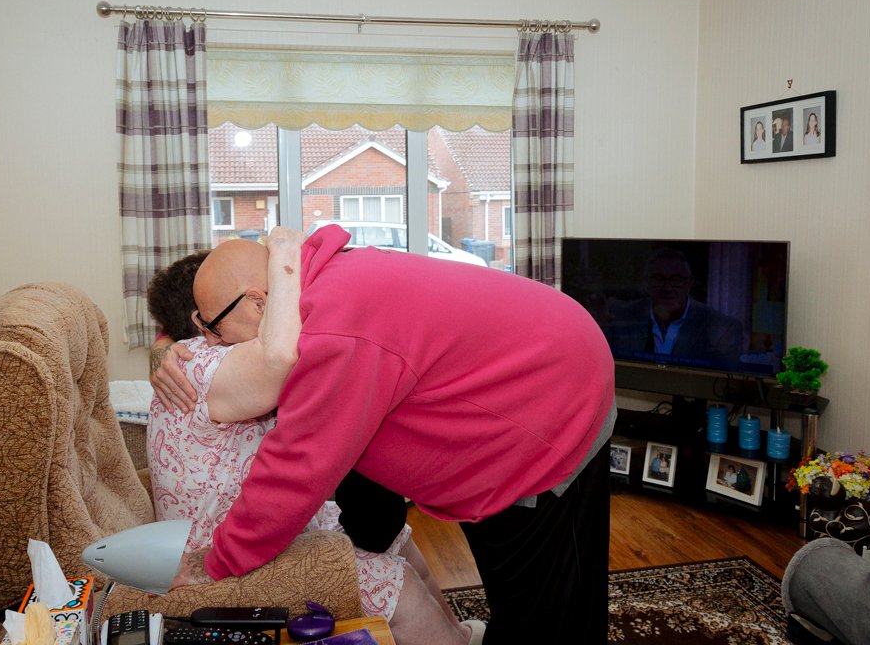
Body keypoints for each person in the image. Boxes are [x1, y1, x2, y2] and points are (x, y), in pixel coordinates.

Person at [153, 224, 617, 644]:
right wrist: (168, 351)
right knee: (512, 584)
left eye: (212, 328)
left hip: (550, 413)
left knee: (550, 612)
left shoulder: (335, 330)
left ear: (257, 301)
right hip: (519, 401)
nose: (212, 343)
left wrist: (216, 562)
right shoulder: (310, 285)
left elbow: (298, 467)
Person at [145, 231, 480, 645]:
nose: (214, 335)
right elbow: (279, 356)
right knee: (394, 578)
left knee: (398, 539)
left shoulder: (218, 351)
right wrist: (285, 254)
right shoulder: (200, 365)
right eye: (205, 324)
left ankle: (459, 635)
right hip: (216, 547)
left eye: (214, 322)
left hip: (263, 518)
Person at [602, 248, 744, 367]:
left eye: (676, 280)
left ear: (689, 283)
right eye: (658, 279)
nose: (667, 288)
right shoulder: (622, 315)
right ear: (646, 283)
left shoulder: (723, 329)